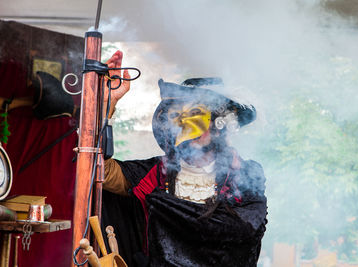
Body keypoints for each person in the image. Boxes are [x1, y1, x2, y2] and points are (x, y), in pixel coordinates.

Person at [101, 51, 268, 267]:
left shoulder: (242, 177)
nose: (187, 128)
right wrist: (108, 104)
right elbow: (99, 171)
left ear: (219, 125)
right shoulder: (156, 173)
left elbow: (244, 231)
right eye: (180, 117)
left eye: (197, 116)